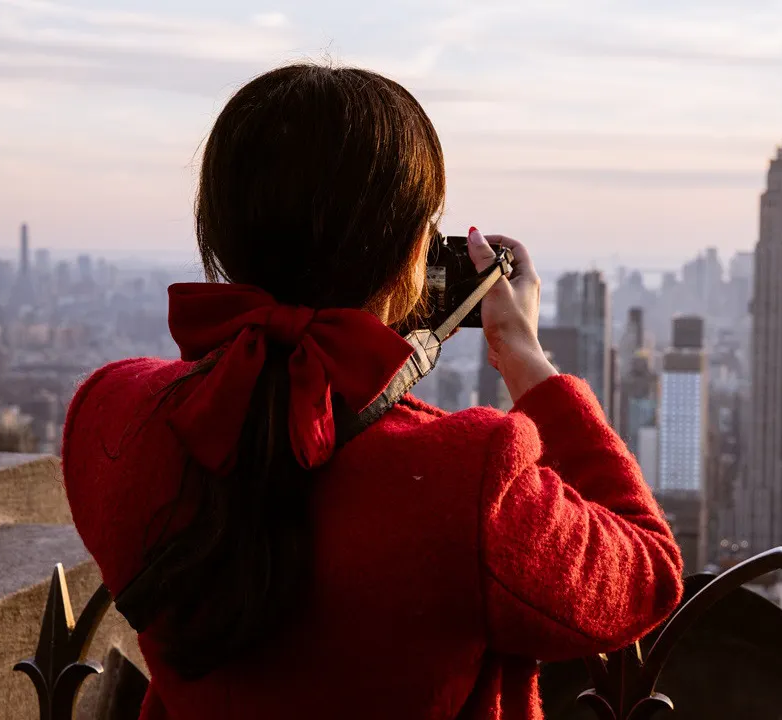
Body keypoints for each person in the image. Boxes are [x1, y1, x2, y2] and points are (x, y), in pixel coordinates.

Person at [62, 63, 683, 719]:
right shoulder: (470, 483)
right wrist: (524, 352)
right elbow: (648, 572)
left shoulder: (110, 413)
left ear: (215, 231)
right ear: (415, 253)